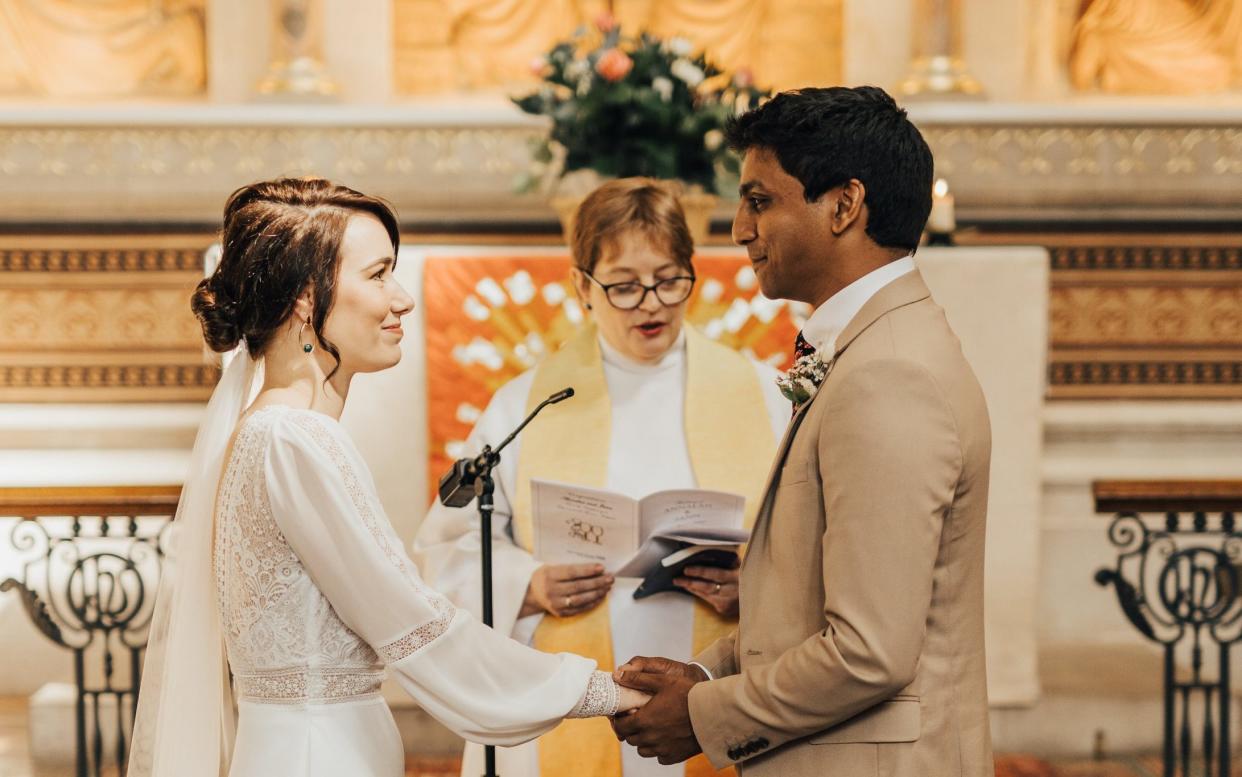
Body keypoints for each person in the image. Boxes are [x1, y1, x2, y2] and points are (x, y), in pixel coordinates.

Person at [127, 177, 646, 777]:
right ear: (304, 297)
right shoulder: (295, 438)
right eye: (378, 275)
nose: (403, 298)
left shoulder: (269, 431)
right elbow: (415, 626)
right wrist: (604, 691)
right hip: (318, 756)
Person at [612, 86, 994, 776]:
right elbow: (817, 605)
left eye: (760, 201)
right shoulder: (870, 347)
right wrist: (705, 673)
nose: (737, 228)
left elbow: (867, 650)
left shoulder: (889, 374)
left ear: (844, 205)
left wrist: (704, 715)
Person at [414, 177, 788, 777]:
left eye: (670, 280)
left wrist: (757, 586)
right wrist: (529, 585)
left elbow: (810, 541)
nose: (652, 303)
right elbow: (447, 549)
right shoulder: (524, 405)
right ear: (582, 286)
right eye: (624, 287)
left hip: (716, 690)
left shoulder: (762, 395)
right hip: (567, 701)